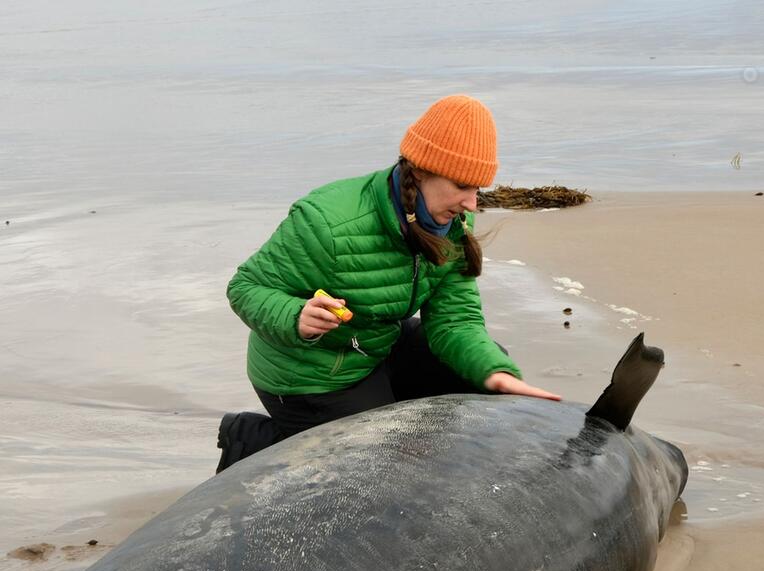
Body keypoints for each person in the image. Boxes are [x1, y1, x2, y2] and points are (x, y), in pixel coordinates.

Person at [216, 94, 560, 473]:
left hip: (375, 347)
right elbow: (245, 287)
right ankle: (256, 440)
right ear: (423, 170)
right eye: (463, 186)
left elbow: (455, 321)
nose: (472, 204)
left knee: (477, 375)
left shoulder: (453, 224)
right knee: (377, 467)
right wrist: (295, 316)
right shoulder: (328, 223)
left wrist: (495, 373)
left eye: (477, 189)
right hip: (309, 375)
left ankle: (387, 419)